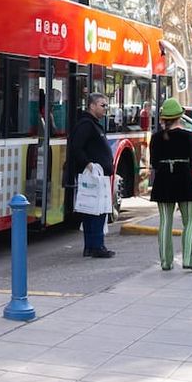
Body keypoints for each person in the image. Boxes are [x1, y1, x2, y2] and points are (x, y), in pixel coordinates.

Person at [150, 98, 192, 271]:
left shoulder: (156, 138)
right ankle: (188, 259)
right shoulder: (187, 136)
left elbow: (154, 163)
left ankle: (165, 261)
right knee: (190, 222)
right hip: (184, 180)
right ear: (180, 116)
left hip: (163, 181)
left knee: (165, 222)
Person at [67, 92, 116, 258]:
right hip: (93, 175)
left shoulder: (92, 124)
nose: (105, 109)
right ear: (92, 105)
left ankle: (92, 246)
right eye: (103, 105)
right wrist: (88, 165)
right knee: (96, 210)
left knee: (94, 209)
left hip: (97, 174)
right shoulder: (86, 125)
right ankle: (96, 246)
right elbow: (76, 147)